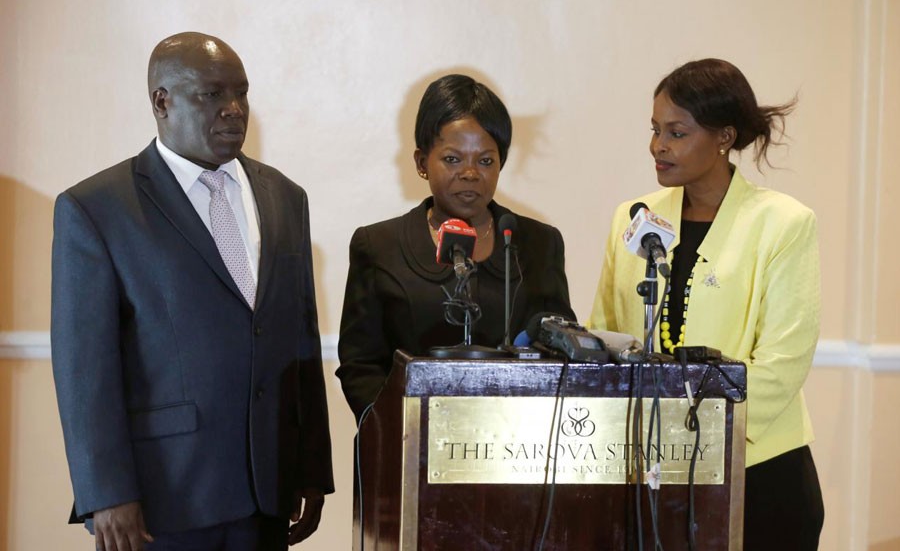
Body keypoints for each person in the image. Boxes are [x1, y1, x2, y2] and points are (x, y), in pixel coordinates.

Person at [51, 32, 334, 551]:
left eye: (242, 94)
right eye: (213, 94)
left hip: (267, 490)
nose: (233, 110)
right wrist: (106, 492)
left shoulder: (285, 197)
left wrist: (312, 467)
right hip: (164, 500)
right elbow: (83, 369)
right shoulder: (96, 209)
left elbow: (301, 341)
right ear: (162, 101)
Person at [587, 58, 824, 549]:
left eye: (676, 131)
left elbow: (783, 362)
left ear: (723, 137)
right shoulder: (633, 218)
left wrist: (695, 436)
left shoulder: (784, 223)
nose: (658, 145)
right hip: (650, 472)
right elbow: (605, 334)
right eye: (655, 129)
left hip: (757, 474)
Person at [336, 74, 575, 420]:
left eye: (485, 160)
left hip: (516, 446)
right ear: (421, 162)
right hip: (408, 444)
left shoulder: (539, 243)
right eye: (452, 159)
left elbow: (559, 350)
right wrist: (399, 429)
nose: (469, 173)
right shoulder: (378, 246)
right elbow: (360, 366)